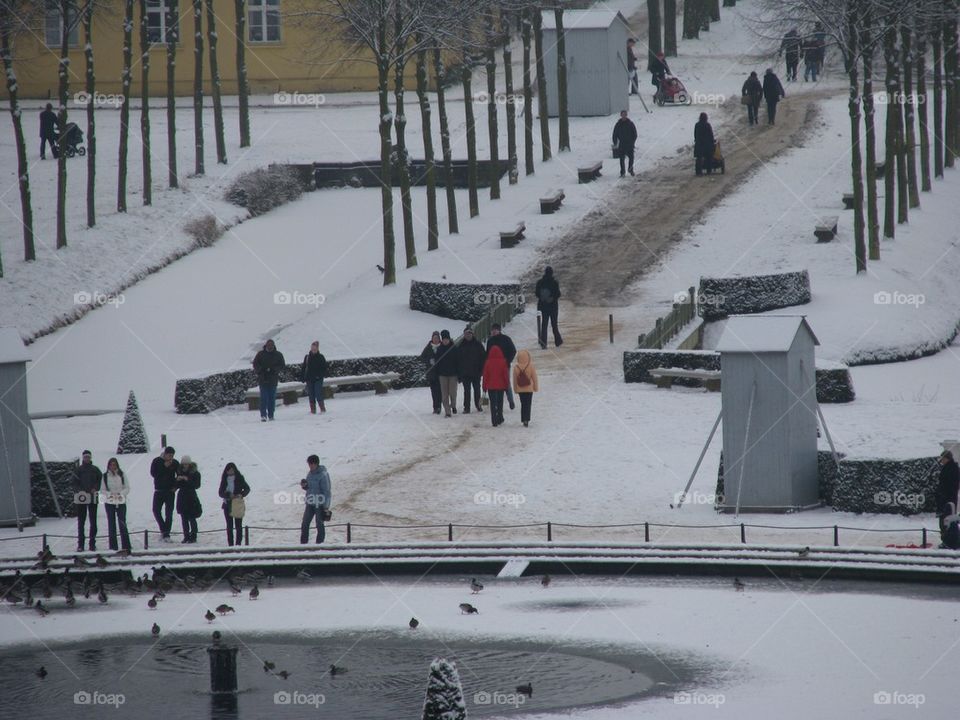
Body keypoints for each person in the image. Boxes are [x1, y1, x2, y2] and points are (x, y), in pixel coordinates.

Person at [71, 450, 101, 551]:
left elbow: (100, 481)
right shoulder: (78, 470)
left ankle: (92, 544)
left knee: (93, 521)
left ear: (90, 458)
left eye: (88, 457)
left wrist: (95, 488)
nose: (87, 459)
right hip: (81, 498)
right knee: (81, 522)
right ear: (83, 458)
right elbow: (74, 483)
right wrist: (80, 491)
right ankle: (81, 544)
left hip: (93, 497)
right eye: (85, 457)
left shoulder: (95, 469)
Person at [102, 457, 131, 552]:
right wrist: (110, 495)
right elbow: (102, 490)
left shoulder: (122, 475)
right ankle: (113, 546)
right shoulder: (105, 476)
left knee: (122, 523)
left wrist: (120, 494)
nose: (113, 466)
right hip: (110, 502)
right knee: (111, 524)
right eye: (111, 464)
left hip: (121, 502)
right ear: (108, 466)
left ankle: (126, 546)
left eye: (114, 464)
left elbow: (127, 487)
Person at [300, 454, 331, 544]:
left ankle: (319, 545)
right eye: (309, 464)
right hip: (310, 503)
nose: (310, 466)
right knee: (305, 524)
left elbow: (327, 491)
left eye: (311, 464)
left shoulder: (323, 475)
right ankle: (303, 545)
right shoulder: (309, 474)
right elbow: (309, 488)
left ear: (316, 464)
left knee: (319, 525)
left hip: (320, 504)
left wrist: (326, 506)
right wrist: (305, 486)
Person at [252, 339, 285, 422]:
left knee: (272, 398)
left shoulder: (278, 354)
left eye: (271, 345)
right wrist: (261, 370)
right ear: (266, 346)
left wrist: (274, 370)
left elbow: (282, 365)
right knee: (263, 398)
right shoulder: (260, 354)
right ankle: (263, 415)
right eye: (268, 345)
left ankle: (271, 415)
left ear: (274, 346)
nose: (270, 347)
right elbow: (255, 364)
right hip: (263, 379)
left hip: (273, 379)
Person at [150, 446, 179, 542]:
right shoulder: (157, 461)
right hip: (158, 490)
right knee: (156, 510)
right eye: (169, 455)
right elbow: (153, 474)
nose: (171, 457)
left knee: (169, 513)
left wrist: (176, 486)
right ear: (165, 454)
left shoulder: (175, 463)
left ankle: (166, 534)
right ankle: (164, 530)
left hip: (170, 491)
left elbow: (179, 475)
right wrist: (164, 466)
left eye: (172, 456)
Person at [218, 462, 251, 547]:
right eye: (229, 470)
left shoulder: (240, 478)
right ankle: (231, 544)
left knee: (238, 525)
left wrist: (241, 494)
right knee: (229, 526)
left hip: (237, 504)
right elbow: (220, 492)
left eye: (232, 470)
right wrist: (228, 495)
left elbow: (247, 488)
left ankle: (238, 544)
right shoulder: (224, 479)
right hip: (227, 505)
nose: (230, 472)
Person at [486, 323, 517, 411]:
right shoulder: (490, 341)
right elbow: (488, 354)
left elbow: (513, 350)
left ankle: (510, 400)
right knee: (494, 384)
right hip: (493, 367)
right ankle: (495, 403)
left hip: (505, 366)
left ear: (499, 330)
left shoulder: (506, 339)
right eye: (492, 330)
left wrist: (507, 361)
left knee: (506, 382)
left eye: (495, 330)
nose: (493, 332)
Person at [457, 326, 485, 414]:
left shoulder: (478, 344)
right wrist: (460, 373)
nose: (468, 335)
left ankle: (478, 405)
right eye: (466, 334)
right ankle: (467, 407)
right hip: (465, 373)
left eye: (469, 334)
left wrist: (481, 370)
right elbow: (458, 360)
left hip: (476, 372)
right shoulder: (461, 345)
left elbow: (483, 357)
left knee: (477, 390)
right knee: (467, 391)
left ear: (472, 334)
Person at [175, 455, 202, 544]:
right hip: (182, 496)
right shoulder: (179, 472)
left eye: (187, 464)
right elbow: (177, 485)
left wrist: (187, 479)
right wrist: (178, 480)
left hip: (191, 496)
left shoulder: (196, 473)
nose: (185, 466)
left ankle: (193, 536)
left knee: (192, 518)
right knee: (184, 518)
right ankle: (186, 536)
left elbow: (197, 485)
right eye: (184, 464)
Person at [535, 267, 563, 349]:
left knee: (544, 325)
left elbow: (537, 293)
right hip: (553, 306)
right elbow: (558, 294)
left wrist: (543, 298)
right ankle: (558, 341)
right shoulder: (554, 283)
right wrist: (552, 298)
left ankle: (543, 343)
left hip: (543, 306)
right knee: (554, 324)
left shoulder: (540, 282)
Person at [482, 345, 510, 427]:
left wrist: (484, 387)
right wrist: (507, 385)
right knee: (500, 402)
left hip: (491, 386)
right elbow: (505, 375)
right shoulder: (503, 362)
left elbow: (485, 376)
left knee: (493, 403)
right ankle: (500, 417)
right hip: (501, 386)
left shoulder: (487, 362)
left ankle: (494, 420)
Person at [435, 330, 460, 417]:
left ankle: (453, 405)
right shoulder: (439, 349)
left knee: (453, 392)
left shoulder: (454, 348)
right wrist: (437, 372)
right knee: (444, 394)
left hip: (453, 375)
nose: (445, 341)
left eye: (447, 339)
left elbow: (458, 362)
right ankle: (447, 411)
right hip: (442, 375)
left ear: (449, 339)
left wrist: (458, 374)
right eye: (444, 339)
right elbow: (437, 363)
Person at [512, 350, 539, 428]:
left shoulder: (516, 367)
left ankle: (523, 419)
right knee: (528, 404)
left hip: (520, 389)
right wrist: (535, 387)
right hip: (529, 389)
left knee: (523, 404)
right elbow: (534, 378)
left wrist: (515, 389)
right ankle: (527, 419)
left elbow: (514, 380)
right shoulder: (530, 366)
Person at [420, 330, 443, 414]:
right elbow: (422, 357)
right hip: (431, 373)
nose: (436, 339)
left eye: (437, 338)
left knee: (440, 390)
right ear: (432, 338)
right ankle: (435, 407)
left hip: (440, 372)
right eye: (434, 338)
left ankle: (439, 406)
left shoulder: (442, 346)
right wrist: (429, 361)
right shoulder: (428, 347)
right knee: (433, 391)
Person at [936, 450, 960, 532]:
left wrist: (942, 495)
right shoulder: (951, 467)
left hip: (947, 499)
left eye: (942, 458)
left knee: (946, 520)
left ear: (947, 458)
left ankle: (947, 539)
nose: (941, 460)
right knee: (945, 519)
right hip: (947, 498)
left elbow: (948, 485)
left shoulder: (951, 468)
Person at [301, 341, 328, 415]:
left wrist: (319, 375)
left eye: (315, 348)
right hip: (309, 378)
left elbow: (324, 368)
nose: (313, 349)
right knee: (311, 394)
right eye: (312, 348)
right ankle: (313, 410)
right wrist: (302, 377)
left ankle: (322, 409)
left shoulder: (321, 357)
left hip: (318, 379)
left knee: (318, 393)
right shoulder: (307, 357)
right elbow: (304, 367)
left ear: (317, 348)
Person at [612, 110, 638, 177]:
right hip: (622, 145)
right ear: (621, 115)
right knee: (621, 159)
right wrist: (615, 142)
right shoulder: (618, 124)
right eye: (622, 115)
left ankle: (630, 170)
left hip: (629, 144)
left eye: (625, 115)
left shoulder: (630, 124)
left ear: (626, 115)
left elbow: (635, 134)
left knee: (631, 158)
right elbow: (615, 134)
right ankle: (622, 172)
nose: (624, 116)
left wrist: (632, 142)